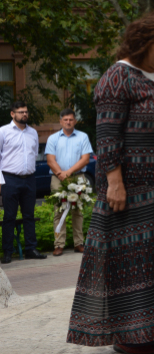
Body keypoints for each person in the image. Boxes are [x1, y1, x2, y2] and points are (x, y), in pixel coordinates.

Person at [67, 10, 154, 354]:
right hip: (133, 188)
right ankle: (132, 335)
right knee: (134, 261)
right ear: (143, 41)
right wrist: (114, 181)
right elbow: (107, 135)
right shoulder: (118, 76)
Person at [0, 101, 45, 264]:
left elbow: (33, 154)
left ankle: (31, 249)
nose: (24, 114)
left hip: (29, 179)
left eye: (26, 111)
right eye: (20, 112)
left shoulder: (32, 132)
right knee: (9, 217)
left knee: (29, 216)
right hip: (10, 179)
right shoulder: (3, 132)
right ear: (12, 114)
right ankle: (7, 251)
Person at [46, 108, 94, 256]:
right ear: (60, 121)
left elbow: (85, 159)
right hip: (58, 178)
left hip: (78, 177)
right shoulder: (53, 138)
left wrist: (68, 172)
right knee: (59, 211)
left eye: (71, 119)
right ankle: (59, 244)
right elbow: (50, 159)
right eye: (65, 120)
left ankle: (79, 243)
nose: (68, 122)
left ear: (75, 121)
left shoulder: (83, 137)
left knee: (77, 211)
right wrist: (61, 174)